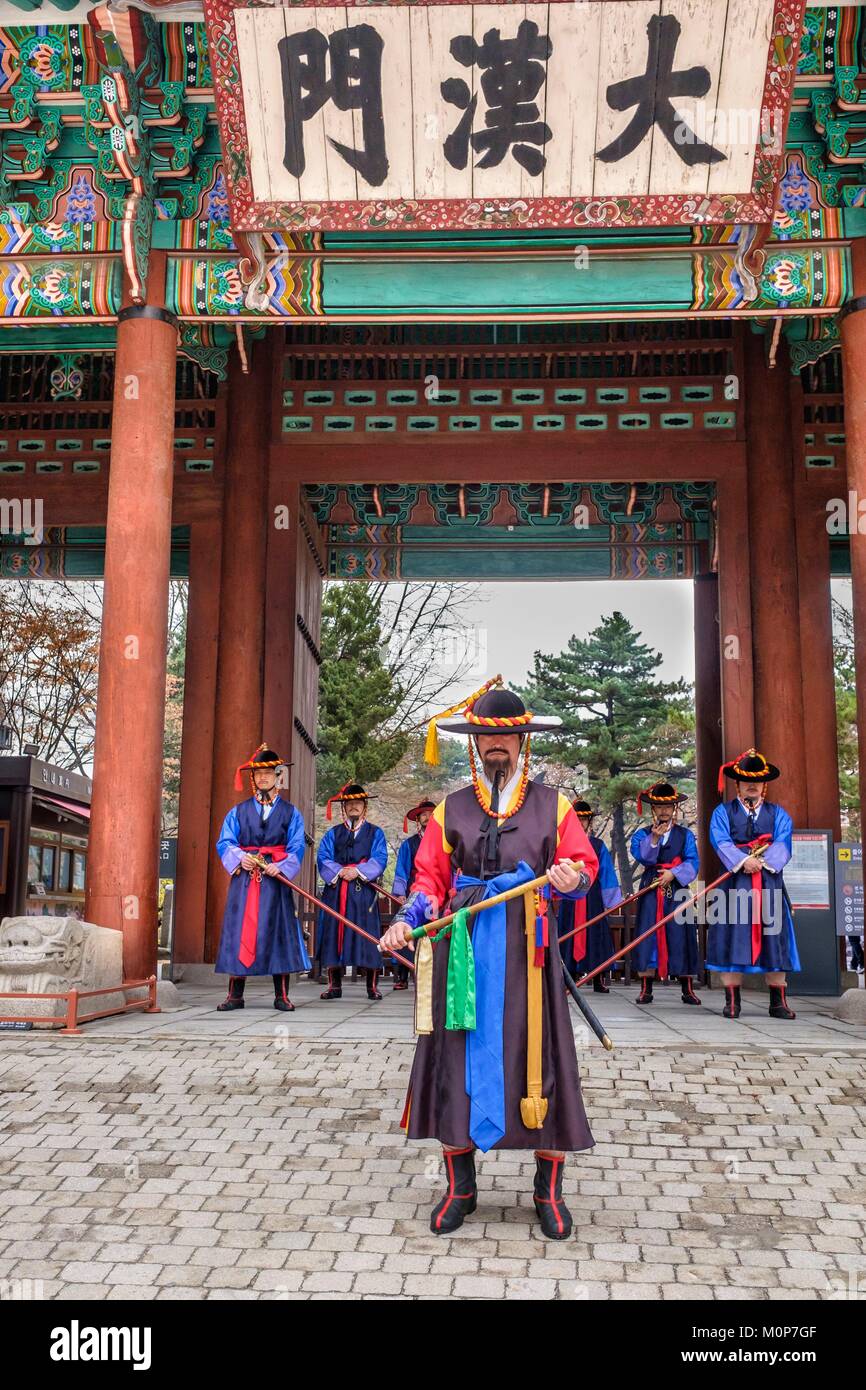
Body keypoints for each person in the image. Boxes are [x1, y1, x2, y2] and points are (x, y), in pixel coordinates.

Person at [380, 686, 599, 1241]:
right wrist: (409, 916)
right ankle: (461, 1187)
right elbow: (430, 879)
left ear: (521, 739)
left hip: (530, 954)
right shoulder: (450, 807)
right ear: (475, 744)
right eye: (484, 738)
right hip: (464, 955)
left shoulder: (557, 805)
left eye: (503, 736)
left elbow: (581, 866)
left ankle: (547, 1192)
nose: (494, 746)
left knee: (540, 1061)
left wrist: (573, 878)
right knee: (455, 1059)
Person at [214, 743, 309, 1013]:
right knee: (238, 931)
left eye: (268, 773)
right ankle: (235, 994)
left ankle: (282, 995)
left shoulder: (291, 813)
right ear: (252, 778)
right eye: (258, 774)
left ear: (278, 776)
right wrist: (238, 858)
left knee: (279, 931)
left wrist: (283, 866)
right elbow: (225, 842)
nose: (263, 778)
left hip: (275, 880)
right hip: (245, 880)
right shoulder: (238, 811)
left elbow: (297, 846)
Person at [707, 749, 800, 1020]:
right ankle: (732, 1001)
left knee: (775, 938)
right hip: (734, 885)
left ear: (764, 785)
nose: (752, 786)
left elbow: (783, 842)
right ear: (737, 783)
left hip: (769, 883)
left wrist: (764, 862)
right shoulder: (723, 812)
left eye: (756, 782)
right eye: (746, 781)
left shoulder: (778, 814)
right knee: (730, 937)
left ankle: (778, 1002)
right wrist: (742, 861)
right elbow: (720, 841)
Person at [630, 782, 701, 1006]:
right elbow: (642, 857)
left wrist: (674, 873)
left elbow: (693, 861)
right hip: (651, 887)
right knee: (648, 934)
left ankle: (687, 988)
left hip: (678, 889)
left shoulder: (685, 835)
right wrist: (653, 840)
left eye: (668, 807)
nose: (664, 811)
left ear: (674, 809)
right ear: (653, 809)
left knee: (682, 934)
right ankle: (645, 987)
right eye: (659, 807)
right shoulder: (641, 835)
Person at [316, 782, 388, 1001]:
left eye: (358, 803)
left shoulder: (376, 833)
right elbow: (323, 858)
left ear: (364, 806)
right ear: (344, 807)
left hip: (363, 891)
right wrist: (340, 872)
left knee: (367, 938)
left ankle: (372, 987)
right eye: (350, 804)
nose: (354, 807)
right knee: (333, 936)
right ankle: (334, 985)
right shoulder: (333, 833)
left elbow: (380, 858)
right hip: (337, 891)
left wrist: (357, 871)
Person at [557, 800, 623, 993]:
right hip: (568, 896)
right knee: (566, 932)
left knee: (597, 934)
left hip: (592, 897)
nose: (581, 822)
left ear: (589, 822)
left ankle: (598, 978)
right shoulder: (562, 844)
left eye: (584, 819)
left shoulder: (598, 845)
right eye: (577, 819)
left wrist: (611, 901)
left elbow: (606, 873)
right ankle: (566, 976)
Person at [390, 799, 437, 991]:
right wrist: (400, 893)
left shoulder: (442, 840)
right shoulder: (409, 844)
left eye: (430, 814)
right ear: (418, 819)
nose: (427, 817)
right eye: (423, 814)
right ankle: (401, 975)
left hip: (436, 894)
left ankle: (430, 974)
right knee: (407, 931)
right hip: (413, 892)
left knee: (431, 932)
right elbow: (401, 869)